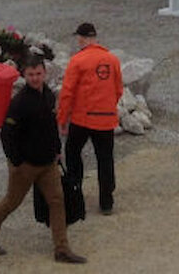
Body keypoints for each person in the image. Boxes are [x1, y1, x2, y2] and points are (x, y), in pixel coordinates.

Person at [0, 56, 87, 264]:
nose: (35, 78)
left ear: (44, 73)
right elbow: (6, 134)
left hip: (48, 163)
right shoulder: (19, 103)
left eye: (38, 74)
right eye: (31, 75)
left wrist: (57, 150)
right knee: (12, 202)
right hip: (26, 165)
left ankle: (61, 249)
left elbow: (51, 126)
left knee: (57, 201)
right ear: (24, 75)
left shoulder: (48, 95)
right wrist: (17, 162)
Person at [57, 22, 123, 216]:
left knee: (73, 152)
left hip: (82, 119)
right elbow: (118, 90)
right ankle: (106, 201)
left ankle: (75, 193)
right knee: (105, 159)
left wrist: (63, 118)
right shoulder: (112, 60)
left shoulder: (77, 60)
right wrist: (108, 107)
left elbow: (67, 93)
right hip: (106, 119)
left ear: (81, 38)